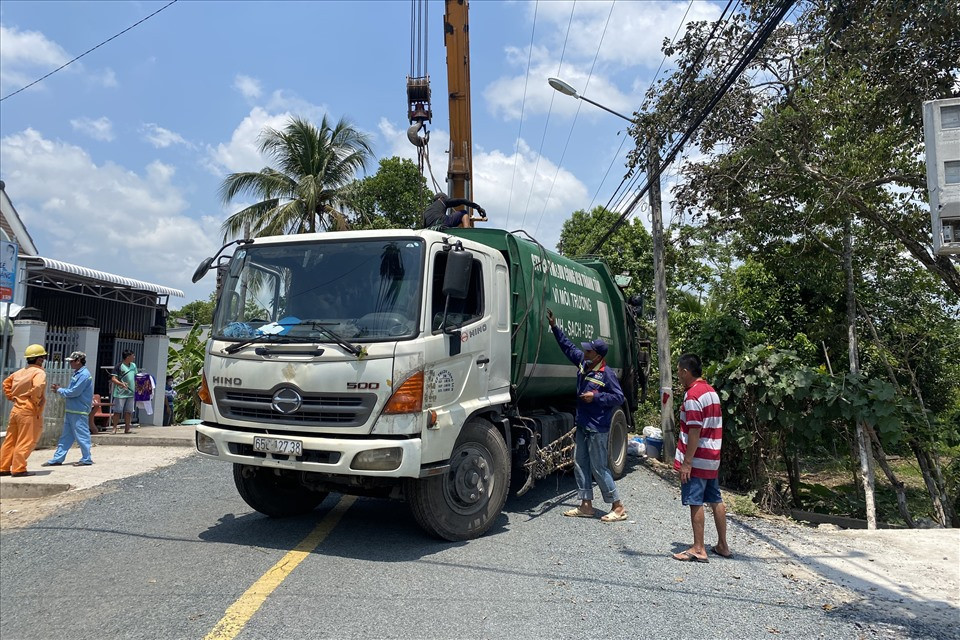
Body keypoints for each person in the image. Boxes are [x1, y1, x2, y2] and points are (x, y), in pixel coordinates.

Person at [547, 308, 628, 523]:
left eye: (589, 351)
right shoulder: (584, 365)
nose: (585, 353)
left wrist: (596, 397)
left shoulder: (606, 374)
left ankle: (618, 506)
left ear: (598, 356)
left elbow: (618, 397)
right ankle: (586, 506)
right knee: (580, 462)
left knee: (599, 467)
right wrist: (555, 327)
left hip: (597, 427)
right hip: (583, 423)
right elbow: (567, 347)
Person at [672, 353, 731, 563]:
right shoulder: (711, 392)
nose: (678, 375)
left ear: (686, 372)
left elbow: (694, 431)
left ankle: (699, 548)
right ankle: (723, 545)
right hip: (713, 455)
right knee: (715, 499)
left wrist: (687, 462)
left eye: (679, 371)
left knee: (695, 501)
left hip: (697, 458)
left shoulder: (693, 396)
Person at [0, 344, 48, 477]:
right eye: (42, 358)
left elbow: (6, 383)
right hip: (29, 410)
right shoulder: (39, 372)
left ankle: (3, 467)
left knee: (10, 440)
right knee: (26, 440)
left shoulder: (19, 372)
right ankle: (18, 468)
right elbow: (38, 386)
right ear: (39, 359)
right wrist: (36, 401)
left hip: (16, 409)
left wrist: (12, 397)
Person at [42, 351, 94, 467]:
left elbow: (74, 392)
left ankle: (86, 458)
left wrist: (60, 390)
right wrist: (61, 390)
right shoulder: (77, 373)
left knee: (82, 435)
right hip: (72, 410)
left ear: (78, 361)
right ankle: (57, 458)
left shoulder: (84, 375)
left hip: (79, 410)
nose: (70, 363)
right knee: (65, 437)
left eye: (71, 361)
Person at [422, 192, 486, 229]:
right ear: (441, 198)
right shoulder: (442, 200)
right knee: (463, 213)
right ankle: (467, 230)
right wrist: (478, 208)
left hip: (430, 228)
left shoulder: (427, 210)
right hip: (442, 222)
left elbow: (424, 225)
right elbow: (462, 201)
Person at [110, 350, 138, 434]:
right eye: (133, 355)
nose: (134, 357)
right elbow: (113, 379)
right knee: (117, 411)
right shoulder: (119, 366)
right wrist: (121, 384)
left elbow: (136, 377)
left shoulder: (133, 365)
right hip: (120, 392)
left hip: (131, 392)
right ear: (128, 357)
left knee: (129, 411)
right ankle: (114, 428)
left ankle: (127, 428)